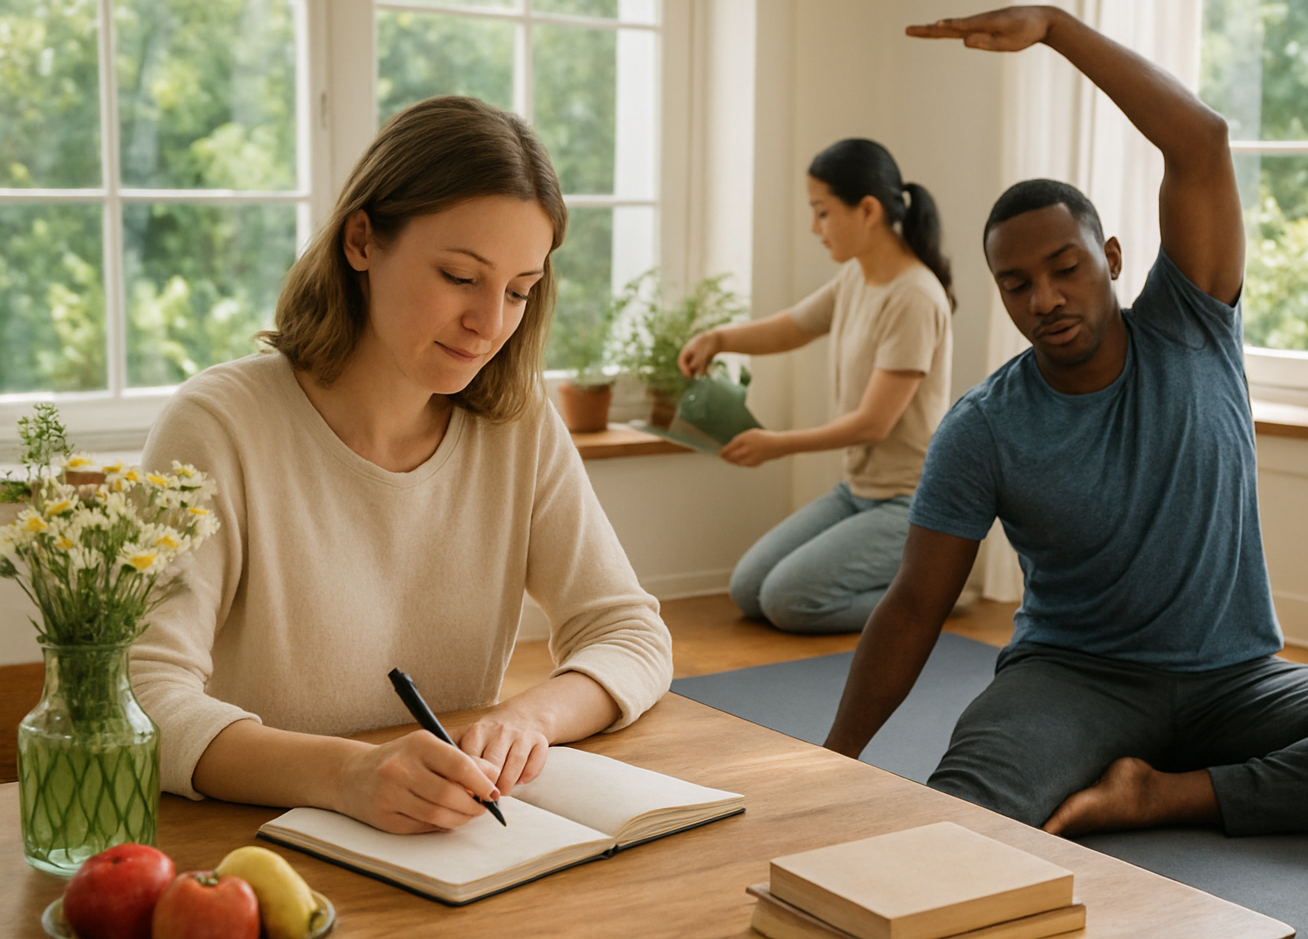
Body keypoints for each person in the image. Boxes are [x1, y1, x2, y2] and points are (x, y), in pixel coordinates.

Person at [824, 6, 1308, 837]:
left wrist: (1057, 30)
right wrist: (831, 761)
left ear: (1108, 257)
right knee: (963, 821)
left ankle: (1164, 795)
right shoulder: (983, 427)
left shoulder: (1193, 321)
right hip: (1073, 681)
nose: (1046, 300)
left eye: (1065, 268)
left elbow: (1201, 141)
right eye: (1017, 284)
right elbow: (916, 604)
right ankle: (1165, 784)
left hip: (1239, 682)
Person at [131, 96, 672, 835]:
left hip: (450, 849)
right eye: (459, 276)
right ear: (362, 240)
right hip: (253, 848)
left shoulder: (517, 424)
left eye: (519, 291)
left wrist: (528, 720)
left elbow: (629, 631)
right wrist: (348, 774)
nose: (490, 325)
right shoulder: (220, 424)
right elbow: (140, 694)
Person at [678, 139, 954, 634]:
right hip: (857, 492)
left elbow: (874, 422)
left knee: (789, 602)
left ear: (867, 210)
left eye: (822, 212)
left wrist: (776, 445)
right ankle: (908, 592)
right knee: (749, 589)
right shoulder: (857, 278)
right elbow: (792, 328)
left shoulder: (914, 297)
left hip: (909, 504)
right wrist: (717, 338)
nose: (814, 228)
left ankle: (929, 600)